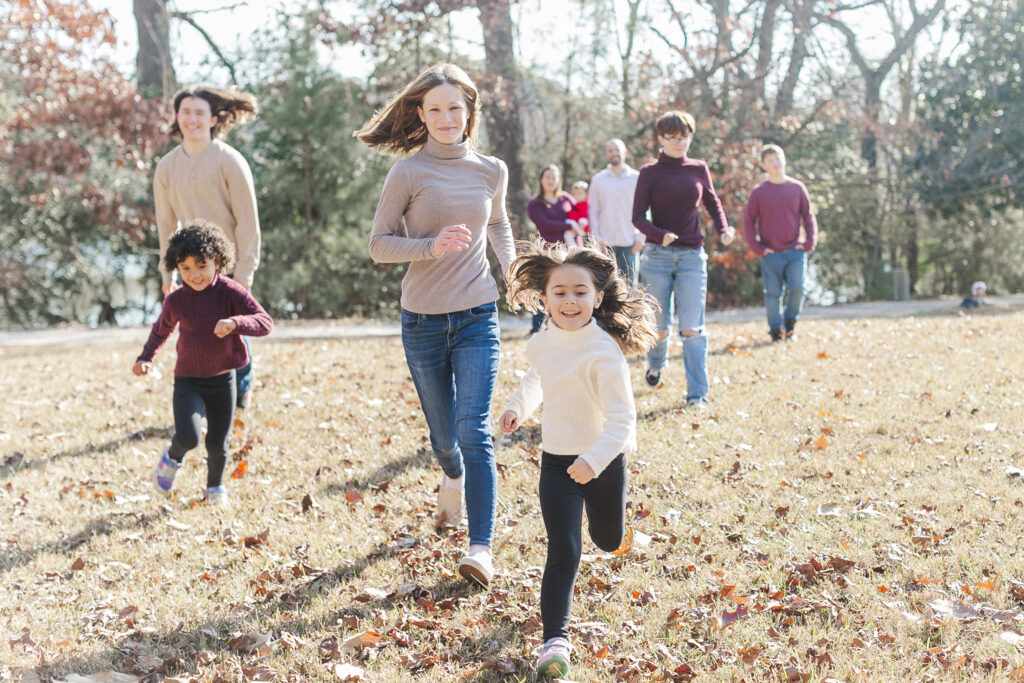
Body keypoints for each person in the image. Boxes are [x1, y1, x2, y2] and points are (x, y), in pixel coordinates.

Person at [355, 63, 516, 587]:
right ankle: (451, 474)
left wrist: (514, 272)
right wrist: (427, 246)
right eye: (436, 109)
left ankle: (481, 548)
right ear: (420, 115)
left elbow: (497, 223)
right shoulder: (407, 172)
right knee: (445, 438)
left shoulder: (491, 168)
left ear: (470, 111)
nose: (447, 117)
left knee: (475, 430)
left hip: (477, 313)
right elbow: (379, 244)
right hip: (422, 320)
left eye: (456, 108)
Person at [500, 240, 658, 679]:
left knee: (607, 541)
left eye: (580, 292)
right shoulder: (542, 342)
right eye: (560, 292)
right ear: (545, 298)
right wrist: (517, 407)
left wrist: (593, 460)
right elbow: (537, 378)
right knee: (564, 549)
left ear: (598, 297)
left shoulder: (604, 351)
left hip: (603, 462)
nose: (570, 300)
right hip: (557, 465)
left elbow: (623, 420)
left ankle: (606, 516)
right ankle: (556, 641)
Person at [133, 221, 273, 505]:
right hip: (188, 382)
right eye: (185, 269)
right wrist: (146, 357)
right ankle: (171, 459)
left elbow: (264, 322)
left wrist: (236, 323)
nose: (194, 275)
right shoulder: (177, 300)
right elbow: (161, 329)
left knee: (218, 443)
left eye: (201, 266)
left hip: (223, 380)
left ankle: (215, 488)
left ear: (218, 262)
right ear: (177, 268)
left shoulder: (230, 292)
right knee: (189, 436)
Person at [153, 85, 262, 411]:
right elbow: (165, 225)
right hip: (191, 268)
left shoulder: (230, 161)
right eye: (186, 112)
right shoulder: (167, 168)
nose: (192, 119)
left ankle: (241, 394)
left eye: (199, 113)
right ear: (177, 117)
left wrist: (244, 271)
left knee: (233, 331)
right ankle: (204, 400)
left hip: (227, 267)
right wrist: (167, 271)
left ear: (213, 118)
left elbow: (247, 220)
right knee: (199, 333)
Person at [632, 111, 735, 405]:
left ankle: (697, 396)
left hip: (692, 256)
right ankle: (656, 364)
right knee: (660, 327)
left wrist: (724, 230)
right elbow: (637, 216)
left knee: (692, 328)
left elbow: (713, 204)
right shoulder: (649, 173)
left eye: (685, 136)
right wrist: (658, 233)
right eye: (673, 137)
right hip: (658, 257)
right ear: (661, 139)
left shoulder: (698, 168)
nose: (680, 142)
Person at [742, 144, 818, 342]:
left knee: (797, 287)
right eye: (769, 161)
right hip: (770, 253)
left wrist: (809, 242)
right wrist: (757, 248)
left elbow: (808, 217)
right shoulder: (759, 192)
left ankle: (790, 324)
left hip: (795, 250)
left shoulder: (797, 188)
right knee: (773, 293)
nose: (775, 163)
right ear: (764, 166)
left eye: (777, 158)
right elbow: (748, 222)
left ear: (784, 160)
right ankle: (776, 330)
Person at [526, 164, 583, 333]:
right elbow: (544, 224)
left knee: (571, 287)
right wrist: (568, 224)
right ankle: (537, 327)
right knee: (544, 287)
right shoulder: (535, 204)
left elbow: (579, 216)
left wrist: (578, 223)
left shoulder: (566, 199)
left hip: (571, 253)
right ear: (541, 180)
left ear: (559, 180)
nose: (551, 181)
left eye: (554, 177)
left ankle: (570, 321)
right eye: (547, 177)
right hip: (548, 253)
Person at [588, 138, 644, 285]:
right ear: (606, 155)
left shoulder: (637, 178)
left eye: (616, 150)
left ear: (625, 152)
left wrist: (641, 236)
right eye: (610, 151)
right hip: (605, 244)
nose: (614, 153)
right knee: (605, 287)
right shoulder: (598, 180)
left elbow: (645, 208)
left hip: (630, 242)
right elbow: (593, 211)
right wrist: (596, 240)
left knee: (630, 289)